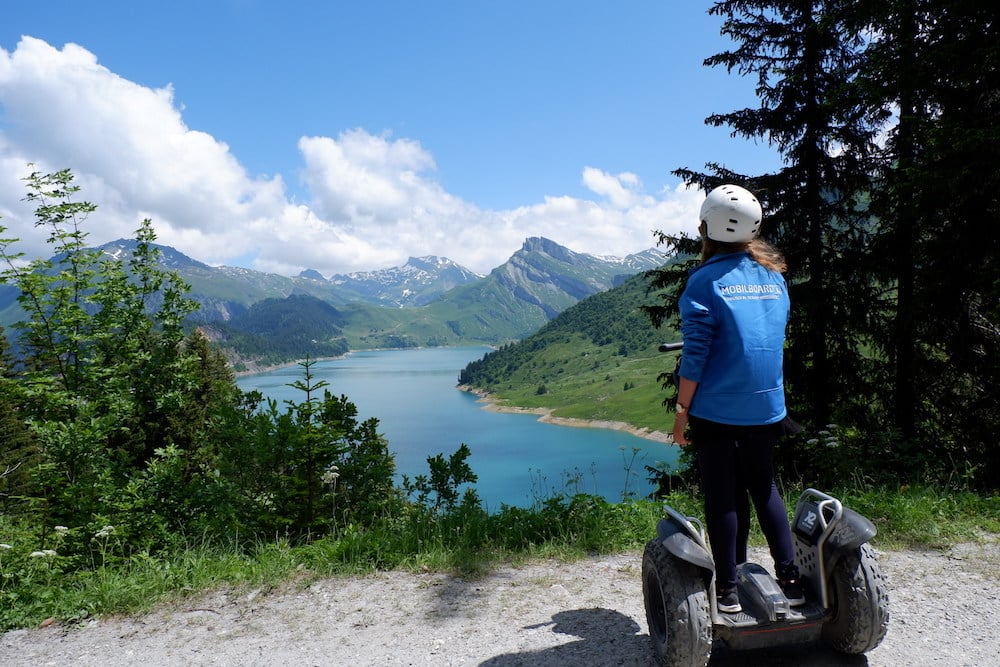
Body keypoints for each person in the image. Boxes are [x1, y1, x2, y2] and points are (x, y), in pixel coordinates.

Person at [671, 183, 804, 614]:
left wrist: (681, 412)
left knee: (722, 495)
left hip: (717, 410)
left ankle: (728, 590)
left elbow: (695, 357)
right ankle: (791, 580)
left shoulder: (703, 281)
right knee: (764, 488)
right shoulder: (774, 277)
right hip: (767, 407)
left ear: (705, 229)